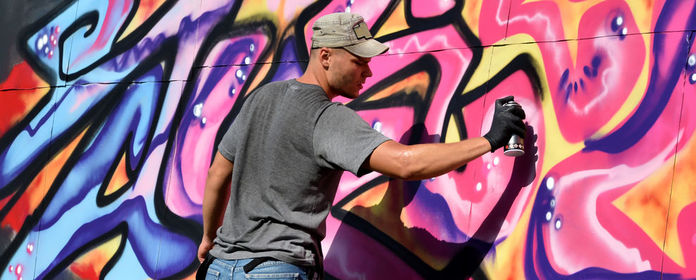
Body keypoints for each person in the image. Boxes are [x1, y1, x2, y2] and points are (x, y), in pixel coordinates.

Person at [197, 12, 526, 280]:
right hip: (277, 270)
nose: (368, 71)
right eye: (358, 61)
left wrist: (209, 238)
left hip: (220, 267)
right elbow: (406, 164)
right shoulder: (327, 118)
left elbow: (217, 175)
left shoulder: (260, 98)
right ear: (325, 56)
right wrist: (488, 140)